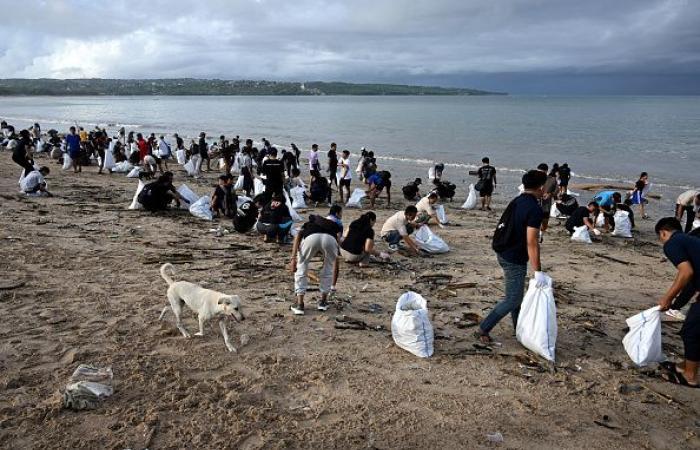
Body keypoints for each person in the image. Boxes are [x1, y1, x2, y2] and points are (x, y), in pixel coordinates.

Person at [476, 170, 548, 344]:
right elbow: (532, 242)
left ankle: (518, 328)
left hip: (503, 250)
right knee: (513, 298)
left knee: (516, 295)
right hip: (513, 257)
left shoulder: (518, 200)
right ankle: (484, 328)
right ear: (541, 187)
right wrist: (537, 271)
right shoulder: (534, 209)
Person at [654, 217, 700, 388]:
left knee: (691, 331)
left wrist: (668, 298)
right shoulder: (691, 240)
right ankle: (686, 366)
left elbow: (686, 272)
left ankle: (690, 376)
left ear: (663, 232)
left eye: (661, 238)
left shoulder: (672, 243)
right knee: (694, 326)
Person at [288, 208, 344, 315]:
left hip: (311, 238)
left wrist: (294, 258)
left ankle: (300, 305)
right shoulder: (331, 225)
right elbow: (337, 245)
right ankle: (323, 302)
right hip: (330, 239)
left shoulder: (309, 224)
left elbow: (298, 236)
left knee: (302, 267)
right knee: (327, 269)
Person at [538, 163, 558, 240]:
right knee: (534, 221)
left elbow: (557, 190)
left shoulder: (552, 180)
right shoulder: (534, 179)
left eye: (542, 172)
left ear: (546, 171)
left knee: (545, 223)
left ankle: (541, 234)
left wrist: (550, 194)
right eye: (539, 172)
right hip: (535, 204)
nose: (540, 174)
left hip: (546, 205)